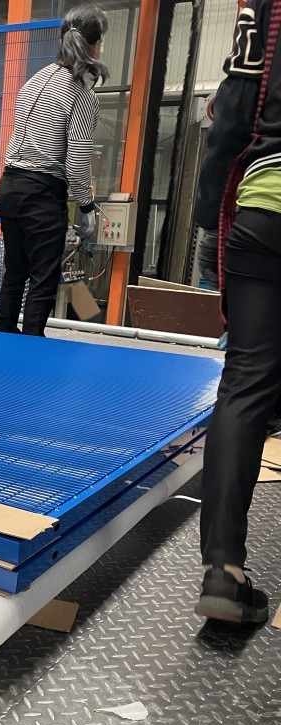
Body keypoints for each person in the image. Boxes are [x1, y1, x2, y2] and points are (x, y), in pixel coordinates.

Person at [193, 0, 280, 623]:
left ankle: (224, 570)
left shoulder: (266, 8)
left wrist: (206, 213)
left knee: (246, 382)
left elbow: (233, 108)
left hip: (265, 203)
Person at [0, 5, 107, 336]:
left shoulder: (34, 80)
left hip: (9, 187)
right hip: (40, 195)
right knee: (42, 279)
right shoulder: (81, 94)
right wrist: (86, 206)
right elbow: (77, 161)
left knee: (15, 273)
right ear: (95, 45)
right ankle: (31, 354)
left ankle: (2, 345)